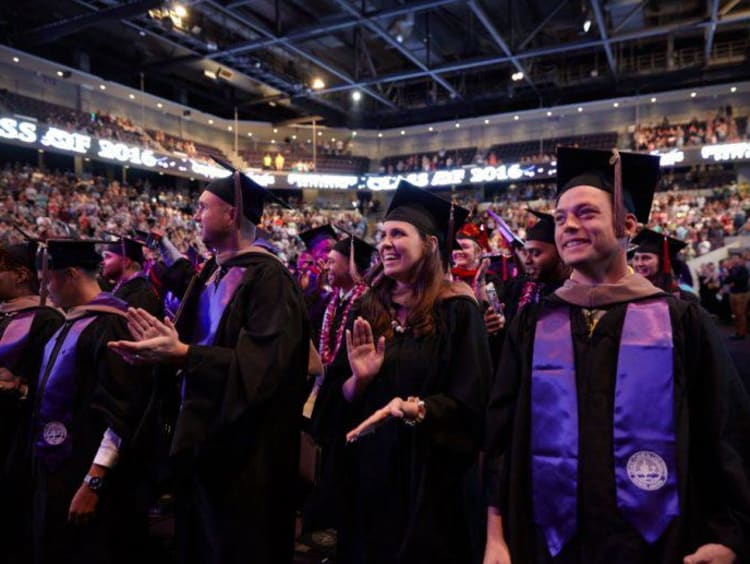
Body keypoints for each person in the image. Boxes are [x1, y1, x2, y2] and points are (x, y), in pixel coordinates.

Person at [484, 147, 750, 564]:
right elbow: (500, 438)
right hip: (544, 541)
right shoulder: (532, 323)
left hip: (659, 545)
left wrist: (729, 536)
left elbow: (724, 433)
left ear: (628, 224)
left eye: (586, 213)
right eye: (560, 218)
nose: (569, 226)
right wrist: (495, 536)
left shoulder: (681, 321)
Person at [108, 164, 310, 564]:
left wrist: (183, 354)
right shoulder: (214, 272)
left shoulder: (269, 279)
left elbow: (262, 369)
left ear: (232, 214)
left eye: (203, 207)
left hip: (248, 460)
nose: (196, 215)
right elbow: (188, 347)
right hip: (205, 451)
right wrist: (158, 352)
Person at [340, 181, 492, 563]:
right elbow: (337, 402)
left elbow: (472, 401)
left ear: (430, 244)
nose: (385, 243)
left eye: (398, 234)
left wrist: (415, 409)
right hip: (376, 475)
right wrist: (360, 380)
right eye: (383, 235)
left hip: (435, 481)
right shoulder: (370, 308)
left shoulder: (457, 310)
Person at [31, 239, 152, 564]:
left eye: (48, 278)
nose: (45, 287)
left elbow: (121, 409)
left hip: (87, 473)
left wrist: (93, 481)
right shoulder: (70, 321)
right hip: (57, 469)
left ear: (69, 274)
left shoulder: (111, 322)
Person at [303, 235, 375, 536]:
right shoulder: (332, 300)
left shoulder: (367, 303)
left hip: (353, 395)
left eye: (333, 261)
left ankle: (337, 526)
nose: (327, 266)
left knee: (344, 460)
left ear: (352, 263)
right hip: (329, 390)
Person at [0, 241, 64, 564]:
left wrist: (17, 389)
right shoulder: (4, 313)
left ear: (21, 275)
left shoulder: (47, 321)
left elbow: (49, 389)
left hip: (18, 441)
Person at [631, 228, 698, 303]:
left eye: (646, 258)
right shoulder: (630, 297)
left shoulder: (685, 299)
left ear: (662, 262)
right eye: (636, 258)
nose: (639, 263)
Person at [101, 235, 162, 316]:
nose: (103, 262)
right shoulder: (127, 287)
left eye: (108, 257)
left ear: (126, 262)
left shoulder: (140, 295)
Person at [298, 224, 339, 343]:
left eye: (335, 249)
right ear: (312, 253)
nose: (332, 255)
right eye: (327, 250)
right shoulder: (305, 279)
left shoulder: (339, 278)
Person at [724, 253, 749, 339]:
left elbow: (743, 280)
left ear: (740, 259)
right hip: (733, 293)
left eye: (736, 258)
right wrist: (731, 279)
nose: (734, 260)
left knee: (740, 314)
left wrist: (732, 280)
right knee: (735, 314)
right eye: (733, 258)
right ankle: (738, 332)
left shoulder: (743, 269)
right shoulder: (732, 269)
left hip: (741, 293)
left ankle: (742, 333)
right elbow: (726, 280)